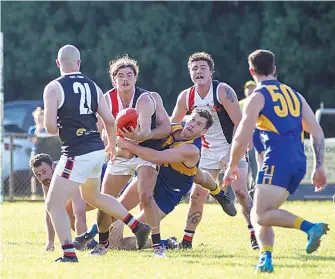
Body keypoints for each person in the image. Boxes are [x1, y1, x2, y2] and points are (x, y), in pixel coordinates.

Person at [76, 109, 236, 256]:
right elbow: (147, 135)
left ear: (204, 132)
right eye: (193, 120)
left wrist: (128, 145)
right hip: (155, 174)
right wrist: (130, 133)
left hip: (170, 191)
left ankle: (166, 242)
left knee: (123, 242)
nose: (193, 125)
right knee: (118, 208)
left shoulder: (191, 150)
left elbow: (156, 157)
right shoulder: (171, 128)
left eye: (199, 124)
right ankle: (91, 233)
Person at [223, 49, 329, 273]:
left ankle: (310, 227)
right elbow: (317, 132)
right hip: (298, 162)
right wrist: (319, 165)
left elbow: (242, 137)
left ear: (252, 71)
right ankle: (265, 258)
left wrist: (232, 166)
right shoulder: (295, 95)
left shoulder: (258, 96)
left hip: (276, 160)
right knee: (261, 212)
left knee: (260, 214)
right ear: (274, 69)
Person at [43, 45, 150, 263]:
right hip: (96, 151)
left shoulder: (53, 87)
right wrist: (110, 145)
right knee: (94, 197)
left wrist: (64, 124)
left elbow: (50, 128)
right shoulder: (92, 86)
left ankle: (69, 254)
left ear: (58, 63)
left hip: (76, 152)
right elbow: (110, 120)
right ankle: (137, 226)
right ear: (79, 63)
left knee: (53, 205)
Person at [171, 52, 257, 250]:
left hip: (232, 146)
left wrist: (232, 154)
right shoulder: (186, 96)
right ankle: (186, 242)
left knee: (241, 191)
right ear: (190, 73)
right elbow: (174, 125)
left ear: (211, 72)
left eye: (202, 68)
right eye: (194, 68)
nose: (198, 71)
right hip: (208, 152)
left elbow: (240, 123)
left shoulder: (222, 91)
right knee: (196, 195)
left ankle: (255, 235)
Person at [91, 55, 171, 256]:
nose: (125, 79)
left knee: (146, 196)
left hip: (145, 151)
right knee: (104, 200)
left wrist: (136, 138)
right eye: (120, 75)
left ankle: (158, 245)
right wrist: (115, 146)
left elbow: (158, 129)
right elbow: (99, 132)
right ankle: (102, 245)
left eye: (129, 75)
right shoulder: (106, 99)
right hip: (121, 153)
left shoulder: (145, 99)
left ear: (136, 78)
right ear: (113, 80)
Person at [29, 153, 99, 251]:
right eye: (38, 175)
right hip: (92, 194)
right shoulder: (47, 181)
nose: (42, 178)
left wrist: (80, 243)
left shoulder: (68, 173)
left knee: (115, 243)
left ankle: (90, 237)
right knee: (62, 209)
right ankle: (91, 242)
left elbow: (79, 212)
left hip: (108, 187)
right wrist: (50, 243)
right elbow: (49, 211)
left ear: (53, 166)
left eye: (44, 172)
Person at [28, 107, 49, 199]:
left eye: (42, 118)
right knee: (34, 175)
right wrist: (39, 129)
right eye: (38, 118)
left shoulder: (48, 129)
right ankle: (34, 194)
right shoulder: (32, 129)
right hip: (36, 154)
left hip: (47, 154)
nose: (40, 120)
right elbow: (33, 140)